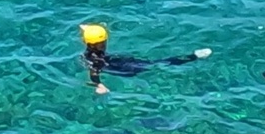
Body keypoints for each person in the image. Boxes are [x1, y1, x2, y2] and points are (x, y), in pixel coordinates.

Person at [80, 23, 211, 95]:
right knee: (160, 64)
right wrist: (100, 85)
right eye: (104, 41)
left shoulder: (90, 52)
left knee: (155, 63)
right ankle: (193, 57)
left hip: (118, 62)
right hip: (127, 69)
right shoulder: (96, 61)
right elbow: (94, 73)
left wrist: (88, 29)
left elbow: (93, 56)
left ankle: (193, 57)